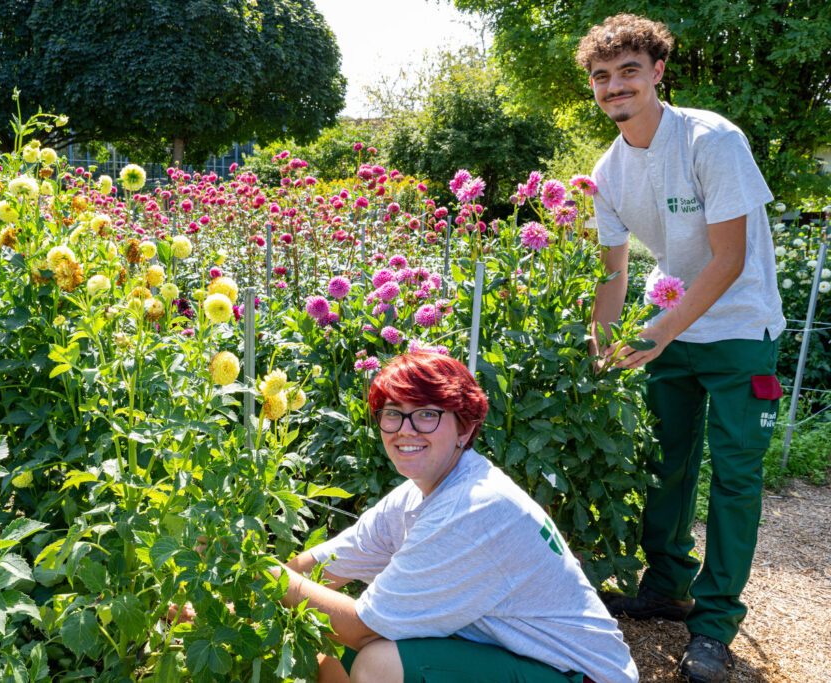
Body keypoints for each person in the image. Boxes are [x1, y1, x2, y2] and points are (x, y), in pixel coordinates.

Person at [578, 14, 786, 683]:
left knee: (734, 477)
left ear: (658, 72)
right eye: (602, 76)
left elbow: (729, 259)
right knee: (664, 464)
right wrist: (600, 344)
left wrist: (658, 332)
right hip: (670, 329)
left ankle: (715, 623)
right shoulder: (607, 171)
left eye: (629, 71)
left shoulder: (710, 140)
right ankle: (667, 585)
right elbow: (614, 274)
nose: (615, 86)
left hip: (739, 329)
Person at [267, 352, 638, 683]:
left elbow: (363, 627)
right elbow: (321, 566)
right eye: (393, 413)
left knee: (378, 664)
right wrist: (253, 590)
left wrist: (259, 573)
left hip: (579, 676)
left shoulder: (475, 506)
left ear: (465, 428)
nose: (405, 429)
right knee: (336, 651)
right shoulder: (421, 493)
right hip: (526, 661)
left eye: (427, 414)